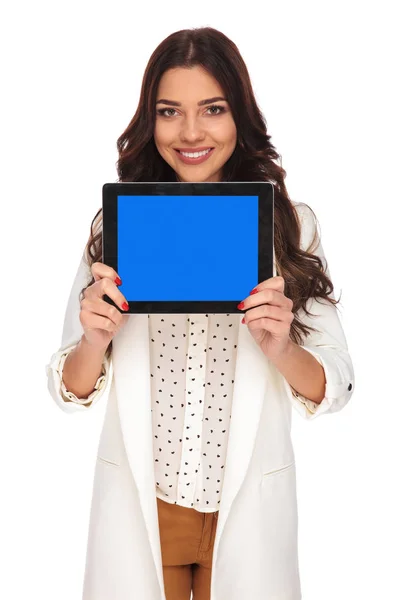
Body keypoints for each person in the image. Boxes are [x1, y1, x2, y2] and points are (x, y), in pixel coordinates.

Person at [45, 26, 354, 600]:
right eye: (169, 111)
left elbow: (334, 384)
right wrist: (92, 339)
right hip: (144, 513)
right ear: (150, 120)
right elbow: (69, 386)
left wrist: (282, 347)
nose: (190, 132)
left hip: (245, 514)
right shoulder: (118, 226)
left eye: (212, 109)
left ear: (240, 115)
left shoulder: (290, 226)